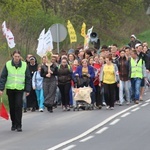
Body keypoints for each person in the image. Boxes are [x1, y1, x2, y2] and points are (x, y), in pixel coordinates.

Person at [0, 50, 31, 132]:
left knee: (18, 106)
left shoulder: (24, 65)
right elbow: (3, 77)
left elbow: (28, 78)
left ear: (20, 57)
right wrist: (1, 88)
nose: (17, 58)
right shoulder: (8, 64)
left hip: (20, 89)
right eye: (15, 56)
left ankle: (19, 124)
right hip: (10, 89)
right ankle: (13, 123)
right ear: (13, 56)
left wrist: (28, 89)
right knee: (12, 107)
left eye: (18, 56)